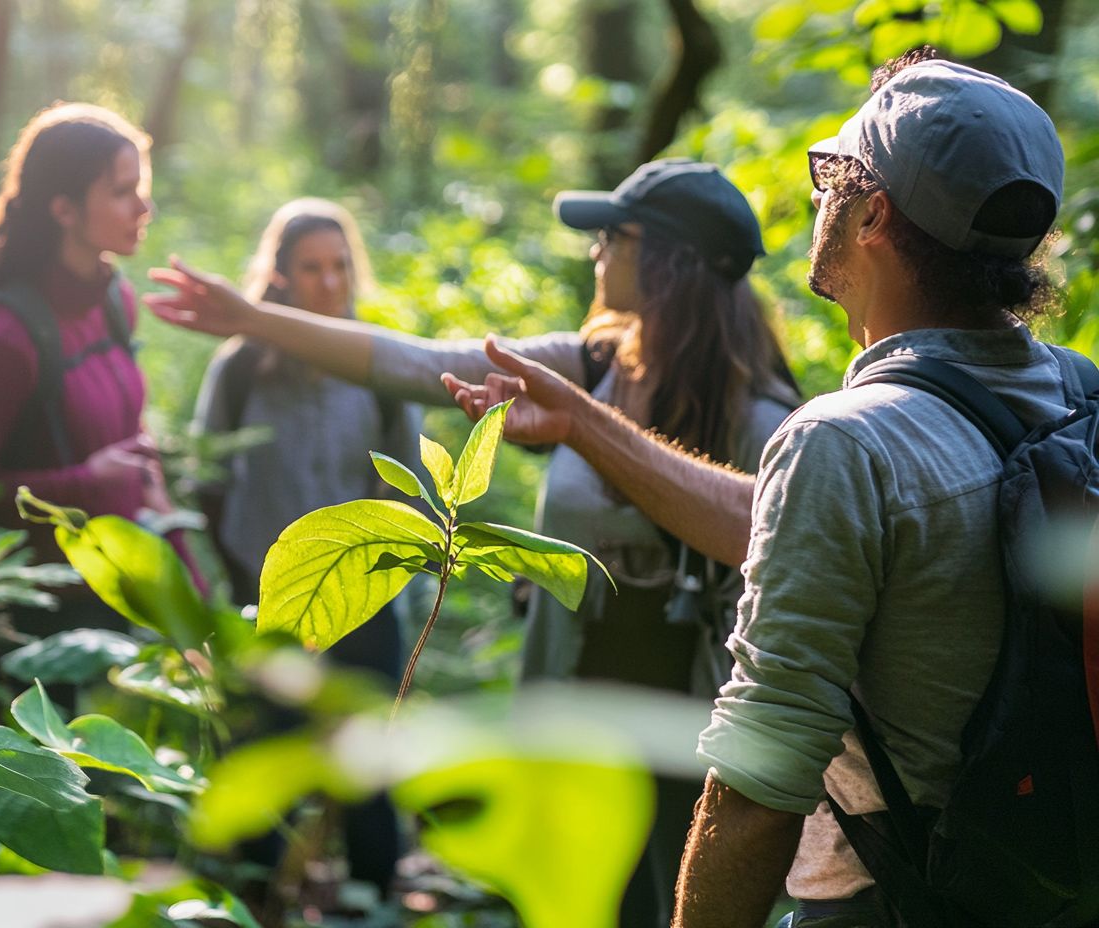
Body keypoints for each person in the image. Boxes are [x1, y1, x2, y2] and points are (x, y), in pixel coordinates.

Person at [444, 47, 1073, 928]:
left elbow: (760, 776)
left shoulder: (841, 443)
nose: (817, 195)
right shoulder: (1079, 397)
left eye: (830, 177)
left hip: (891, 899)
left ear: (871, 217)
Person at [147, 160, 800, 925]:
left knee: (671, 898)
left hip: (688, 714)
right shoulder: (594, 365)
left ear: (664, 262)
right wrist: (255, 317)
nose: (594, 251)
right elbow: (416, 364)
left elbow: (768, 552)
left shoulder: (762, 419)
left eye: (611, 238)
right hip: (574, 689)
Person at [192, 198, 416, 904]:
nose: (328, 282)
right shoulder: (239, 370)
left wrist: (375, 579)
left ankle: (372, 898)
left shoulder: (379, 365)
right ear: (280, 277)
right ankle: (260, 897)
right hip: (268, 605)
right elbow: (208, 481)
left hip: (369, 602)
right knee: (268, 755)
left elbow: (407, 493)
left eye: (339, 266)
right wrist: (244, 588)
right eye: (310, 268)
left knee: (368, 760)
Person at [0, 101, 201, 653]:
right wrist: (87, 481)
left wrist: (191, 587)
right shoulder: (4, 338)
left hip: (117, 588)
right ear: (64, 209)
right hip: (35, 620)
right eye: (122, 192)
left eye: (140, 186)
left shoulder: (114, 300)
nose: (144, 206)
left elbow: (135, 450)